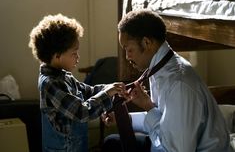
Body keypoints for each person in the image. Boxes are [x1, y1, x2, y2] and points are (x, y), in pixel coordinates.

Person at [101, 10, 233, 152]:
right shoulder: (160, 68)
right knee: (112, 142)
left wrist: (149, 108)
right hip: (172, 143)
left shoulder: (178, 83)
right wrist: (124, 118)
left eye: (129, 49)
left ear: (146, 43)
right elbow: (165, 121)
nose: (127, 56)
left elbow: (176, 149)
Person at [28, 14, 126, 152]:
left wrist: (110, 88)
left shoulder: (64, 76)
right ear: (57, 56)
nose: (78, 57)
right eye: (74, 53)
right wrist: (106, 94)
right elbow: (81, 112)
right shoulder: (50, 84)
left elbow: (88, 91)